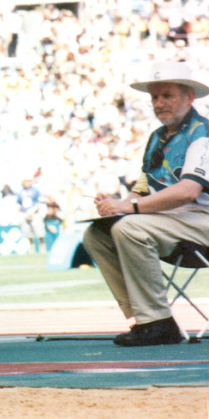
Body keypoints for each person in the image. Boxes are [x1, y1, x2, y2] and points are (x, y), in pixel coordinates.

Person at [83, 61, 209, 346]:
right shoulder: (157, 138)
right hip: (171, 223)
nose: (159, 103)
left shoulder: (203, 134)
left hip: (202, 218)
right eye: (155, 97)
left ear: (190, 96)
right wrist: (116, 205)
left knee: (129, 228)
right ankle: (147, 319)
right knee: (97, 234)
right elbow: (142, 189)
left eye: (167, 95)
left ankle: (158, 322)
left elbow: (189, 191)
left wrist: (131, 208)